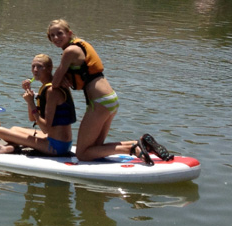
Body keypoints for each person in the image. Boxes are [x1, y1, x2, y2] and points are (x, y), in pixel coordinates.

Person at [47, 19, 173, 163]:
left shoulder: (70, 51)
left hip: (99, 102)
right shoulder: (80, 45)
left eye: (59, 33)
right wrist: (62, 77)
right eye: (52, 35)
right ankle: (142, 143)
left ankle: (132, 148)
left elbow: (54, 83)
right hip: (110, 99)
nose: (56, 38)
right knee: (95, 148)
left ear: (69, 33)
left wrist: (60, 77)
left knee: (82, 154)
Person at [0, 54, 75, 156]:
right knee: (14, 129)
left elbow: (45, 128)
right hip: (61, 142)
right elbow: (32, 118)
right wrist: (29, 93)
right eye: (33, 66)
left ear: (49, 69)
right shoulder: (51, 86)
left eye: (40, 67)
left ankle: (11, 148)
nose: (35, 70)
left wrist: (31, 102)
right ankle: (11, 148)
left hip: (55, 146)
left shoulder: (52, 91)